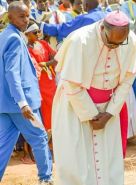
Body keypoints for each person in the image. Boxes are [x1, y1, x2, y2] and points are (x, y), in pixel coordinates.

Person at [52, 11, 136, 184]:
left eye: (120, 43)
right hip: (76, 108)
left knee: (108, 161)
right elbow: (71, 82)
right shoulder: (80, 40)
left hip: (108, 110)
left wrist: (110, 112)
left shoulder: (131, 40)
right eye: (111, 42)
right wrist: (91, 114)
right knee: (77, 163)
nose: (115, 47)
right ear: (102, 29)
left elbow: (128, 78)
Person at [0, 2, 53, 184]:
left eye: (27, 16)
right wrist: (22, 102)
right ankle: (46, 179)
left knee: (4, 146)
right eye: (21, 17)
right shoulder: (14, 38)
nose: (26, 20)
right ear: (10, 17)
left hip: (6, 103)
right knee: (39, 138)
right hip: (22, 103)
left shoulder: (5, 35)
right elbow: (12, 71)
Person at [25, 21, 57, 131]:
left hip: (50, 79)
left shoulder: (43, 43)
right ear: (27, 34)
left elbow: (56, 58)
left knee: (55, 104)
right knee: (45, 107)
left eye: (39, 31)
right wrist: (46, 64)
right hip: (39, 82)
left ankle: (56, 130)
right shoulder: (26, 49)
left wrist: (47, 64)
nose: (38, 34)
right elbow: (35, 66)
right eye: (35, 32)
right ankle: (49, 133)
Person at [39, 0, 106, 43]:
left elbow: (62, 29)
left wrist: (41, 26)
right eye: (79, 3)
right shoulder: (107, 15)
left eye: (82, 3)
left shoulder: (85, 18)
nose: (81, 5)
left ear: (86, 5)